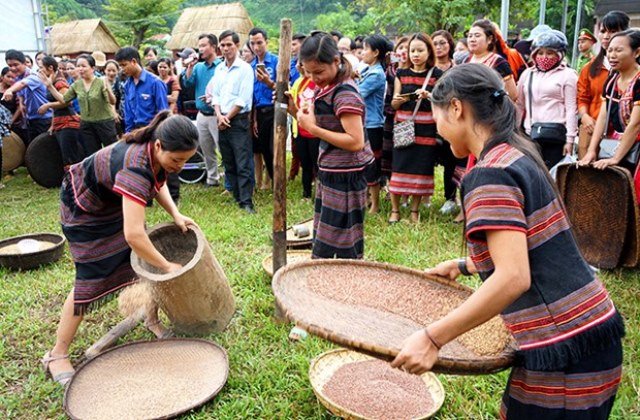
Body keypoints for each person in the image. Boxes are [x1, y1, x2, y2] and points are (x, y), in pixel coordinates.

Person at [392, 63, 624, 419]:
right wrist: (463, 265)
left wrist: (432, 338)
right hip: (589, 333)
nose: (438, 129)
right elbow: (534, 239)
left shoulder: (489, 174)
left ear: (456, 108)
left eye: (437, 115)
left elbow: (514, 276)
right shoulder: (517, 151)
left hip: (565, 347)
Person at [40, 111, 199, 386]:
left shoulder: (154, 150)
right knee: (90, 280)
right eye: (177, 160)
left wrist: (175, 213)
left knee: (141, 264)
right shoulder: (135, 166)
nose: (180, 167)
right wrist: (166, 266)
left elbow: (156, 179)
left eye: (186, 160)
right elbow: (134, 235)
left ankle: (150, 319)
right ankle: (57, 354)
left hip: (112, 201)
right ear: (159, 146)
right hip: (84, 209)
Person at [295, 32, 374, 259]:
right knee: (326, 237)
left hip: (347, 177)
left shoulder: (344, 93)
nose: (313, 77)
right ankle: (326, 284)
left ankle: (343, 287)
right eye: (308, 72)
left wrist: (313, 129)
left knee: (344, 243)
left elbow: (355, 142)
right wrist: (296, 111)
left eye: (318, 71)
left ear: (336, 61)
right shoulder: (327, 87)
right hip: (332, 171)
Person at [389, 33, 443, 223]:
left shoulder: (437, 75)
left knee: (421, 168)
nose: (415, 54)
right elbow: (393, 104)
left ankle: (414, 211)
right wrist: (403, 98)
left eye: (420, 50)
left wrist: (428, 96)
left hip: (426, 128)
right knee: (399, 165)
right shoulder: (401, 74)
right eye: (413, 50)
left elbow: (441, 102)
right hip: (404, 125)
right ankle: (394, 210)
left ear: (429, 52)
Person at [579, 29, 640, 199]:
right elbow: (603, 118)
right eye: (610, 50)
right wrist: (592, 150)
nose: (612, 55)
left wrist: (615, 158)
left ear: (637, 52)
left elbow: (635, 124)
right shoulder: (612, 81)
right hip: (618, 141)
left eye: (619, 50)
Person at [209, 30, 256, 214]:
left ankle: (246, 201)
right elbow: (216, 95)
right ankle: (236, 195)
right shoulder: (219, 69)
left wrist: (227, 118)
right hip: (221, 119)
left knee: (242, 161)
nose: (226, 48)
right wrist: (219, 115)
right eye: (222, 45)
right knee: (228, 160)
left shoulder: (245, 69)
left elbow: (243, 99)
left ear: (237, 45)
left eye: (229, 44)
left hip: (238, 120)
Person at [516, 30, 577, 169]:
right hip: (530, 135)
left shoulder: (569, 75)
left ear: (559, 55)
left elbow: (571, 109)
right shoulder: (527, 74)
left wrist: (570, 140)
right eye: (540, 53)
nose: (544, 57)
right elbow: (520, 104)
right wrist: (515, 131)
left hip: (556, 137)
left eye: (550, 53)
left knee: (552, 178)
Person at [577, 11, 630, 159]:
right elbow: (582, 97)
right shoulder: (589, 68)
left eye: (613, 31)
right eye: (603, 31)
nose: (606, 36)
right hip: (591, 129)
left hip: (623, 135)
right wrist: (585, 117)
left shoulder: (632, 72)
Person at [42, 54, 117, 157]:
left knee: (111, 153)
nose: (80, 69)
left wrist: (108, 89)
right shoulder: (77, 85)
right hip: (86, 124)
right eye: (78, 66)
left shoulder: (101, 82)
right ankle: (96, 173)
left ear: (92, 68)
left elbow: (112, 101)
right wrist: (50, 86)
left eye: (83, 66)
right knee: (92, 155)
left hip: (105, 123)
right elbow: (64, 100)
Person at [432, 29, 466, 215]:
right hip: (430, 121)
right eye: (435, 43)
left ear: (450, 45)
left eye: (442, 43)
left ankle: (450, 197)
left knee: (452, 160)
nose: (439, 47)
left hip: (452, 120)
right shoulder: (428, 69)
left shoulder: (457, 68)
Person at [183, 34, 223, 187]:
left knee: (222, 147)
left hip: (216, 114)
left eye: (204, 45)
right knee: (206, 148)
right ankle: (212, 179)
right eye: (199, 46)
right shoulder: (198, 67)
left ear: (213, 47)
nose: (200, 49)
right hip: (202, 114)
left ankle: (230, 181)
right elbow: (188, 83)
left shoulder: (221, 66)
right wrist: (190, 66)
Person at [359, 35, 391, 214]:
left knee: (372, 164)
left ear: (376, 52)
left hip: (372, 125)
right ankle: (367, 200)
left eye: (365, 49)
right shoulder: (368, 70)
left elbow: (358, 93)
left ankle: (376, 205)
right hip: (367, 123)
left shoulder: (376, 74)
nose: (362, 52)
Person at [35, 56, 84, 167]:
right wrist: (53, 124)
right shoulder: (51, 81)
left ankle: (75, 182)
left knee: (71, 158)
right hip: (60, 123)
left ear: (50, 68)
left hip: (68, 123)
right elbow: (56, 107)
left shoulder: (59, 82)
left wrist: (48, 105)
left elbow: (67, 101)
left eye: (41, 67)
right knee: (66, 156)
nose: (40, 70)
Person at [1, 49, 52, 145]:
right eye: (10, 66)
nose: (13, 68)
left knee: (46, 149)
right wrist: (21, 103)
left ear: (24, 63)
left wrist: (9, 90)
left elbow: (23, 84)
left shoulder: (34, 76)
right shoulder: (18, 77)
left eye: (16, 65)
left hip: (45, 120)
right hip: (31, 120)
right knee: (34, 150)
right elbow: (21, 93)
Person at [250, 27, 278, 185]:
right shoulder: (250, 65)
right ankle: (272, 181)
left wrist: (269, 82)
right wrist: (253, 118)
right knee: (263, 149)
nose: (256, 47)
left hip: (275, 110)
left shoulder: (276, 61)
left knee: (274, 148)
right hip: (259, 112)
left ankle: (276, 181)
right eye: (252, 43)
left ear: (266, 42)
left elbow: (284, 88)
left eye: (259, 43)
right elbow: (252, 96)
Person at [288, 61, 319, 199]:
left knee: (317, 164)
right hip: (301, 129)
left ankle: (320, 194)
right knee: (305, 164)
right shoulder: (299, 82)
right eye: (300, 64)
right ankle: (306, 194)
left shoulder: (320, 82)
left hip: (316, 132)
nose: (300, 66)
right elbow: (293, 102)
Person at [466, 20, 517, 100]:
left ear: (489, 39)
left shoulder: (499, 62)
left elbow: (512, 94)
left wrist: (493, 97)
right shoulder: (466, 61)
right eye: (470, 36)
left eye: (477, 35)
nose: (472, 39)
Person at [381, 37, 409, 180]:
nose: (404, 50)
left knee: (403, 152)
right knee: (389, 151)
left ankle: (402, 184)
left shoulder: (414, 71)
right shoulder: (389, 71)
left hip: (406, 118)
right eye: (401, 47)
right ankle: (390, 185)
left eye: (407, 47)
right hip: (390, 116)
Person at [0, 67, 27, 143]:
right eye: (8, 77)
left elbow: (19, 108)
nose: (11, 80)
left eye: (13, 78)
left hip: (13, 123)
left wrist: (11, 121)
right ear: (2, 77)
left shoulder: (15, 90)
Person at [104, 60, 125, 134]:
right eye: (109, 70)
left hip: (119, 114)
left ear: (118, 71)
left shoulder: (120, 84)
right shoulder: (100, 82)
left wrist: (116, 113)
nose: (111, 73)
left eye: (114, 70)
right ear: (104, 70)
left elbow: (122, 100)